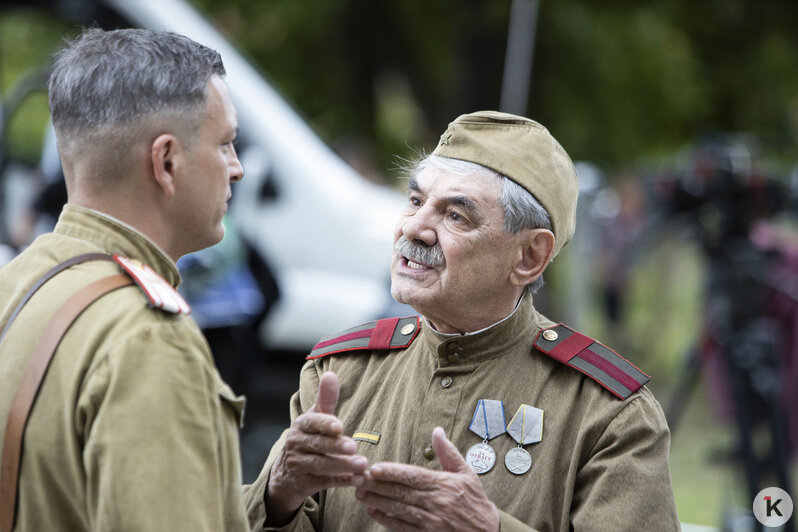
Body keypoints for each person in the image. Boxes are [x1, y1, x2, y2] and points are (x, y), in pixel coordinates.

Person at [244, 111, 680, 531]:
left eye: (455, 215)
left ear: (529, 257)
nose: (414, 228)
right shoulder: (341, 372)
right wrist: (278, 496)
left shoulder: (607, 415)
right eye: (415, 200)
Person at [0, 28, 255, 530]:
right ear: (166, 162)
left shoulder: (17, 281)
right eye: (225, 143)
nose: (237, 168)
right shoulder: (146, 338)